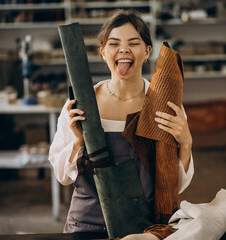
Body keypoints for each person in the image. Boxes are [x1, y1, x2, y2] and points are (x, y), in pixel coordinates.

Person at [48, 9, 194, 237]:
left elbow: (173, 186)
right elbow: (62, 176)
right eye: (114, 43)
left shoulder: (163, 104)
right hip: (85, 225)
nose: (124, 50)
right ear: (103, 52)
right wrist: (78, 141)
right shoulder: (81, 102)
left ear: (147, 52)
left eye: (133, 43)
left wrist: (185, 143)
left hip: (142, 227)